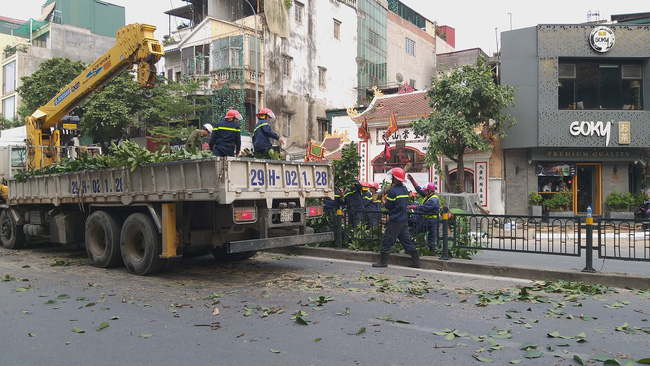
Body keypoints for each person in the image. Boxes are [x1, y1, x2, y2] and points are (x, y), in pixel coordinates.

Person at [372, 167, 420, 268]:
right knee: (406, 241)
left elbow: (389, 206)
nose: (392, 178)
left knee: (387, 240)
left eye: (393, 177)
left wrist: (384, 203)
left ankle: (383, 262)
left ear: (396, 179)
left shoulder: (393, 192)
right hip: (403, 219)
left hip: (395, 220)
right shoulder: (405, 190)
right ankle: (416, 261)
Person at [407, 174, 440, 251]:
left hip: (433, 221)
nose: (424, 192)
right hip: (426, 220)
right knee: (416, 233)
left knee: (431, 240)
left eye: (425, 191)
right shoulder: (428, 195)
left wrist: (411, 207)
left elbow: (422, 208)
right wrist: (412, 180)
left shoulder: (433, 200)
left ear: (430, 191)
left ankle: (432, 253)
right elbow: (419, 189)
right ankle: (421, 246)